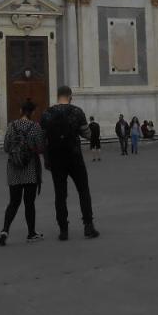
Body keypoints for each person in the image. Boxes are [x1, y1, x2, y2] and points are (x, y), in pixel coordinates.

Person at [41, 86, 99, 241]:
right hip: (74, 157)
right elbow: (87, 134)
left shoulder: (46, 114)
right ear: (70, 96)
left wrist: (46, 158)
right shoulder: (76, 112)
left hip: (56, 159)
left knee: (60, 195)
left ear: (57, 95)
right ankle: (88, 226)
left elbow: (42, 139)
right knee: (83, 190)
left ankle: (63, 230)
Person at [0, 106, 44, 246]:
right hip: (30, 169)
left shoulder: (11, 126)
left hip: (14, 169)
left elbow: (6, 147)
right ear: (32, 113)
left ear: (20, 112)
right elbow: (41, 147)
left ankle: (4, 231)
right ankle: (31, 233)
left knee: (13, 202)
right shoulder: (35, 127)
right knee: (29, 203)